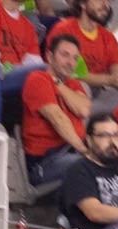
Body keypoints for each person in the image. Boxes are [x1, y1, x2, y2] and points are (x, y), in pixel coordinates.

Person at [22, 34, 92, 188]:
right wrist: (85, 152)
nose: (70, 62)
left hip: (71, 153)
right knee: (86, 166)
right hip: (44, 163)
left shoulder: (73, 84)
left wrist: (58, 83)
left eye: (75, 58)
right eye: (65, 55)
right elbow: (58, 118)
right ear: (49, 56)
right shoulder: (37, 79)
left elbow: (84, 109)